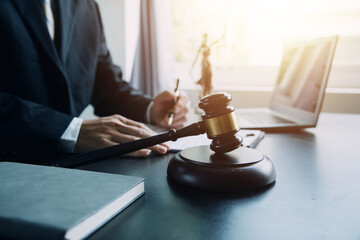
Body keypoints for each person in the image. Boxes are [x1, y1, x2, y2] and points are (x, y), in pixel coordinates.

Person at [0, 0, 190, 160]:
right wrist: (69, 130)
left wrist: (149, 109)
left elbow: (104, 85)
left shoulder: (86, 6)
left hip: (76, 171)